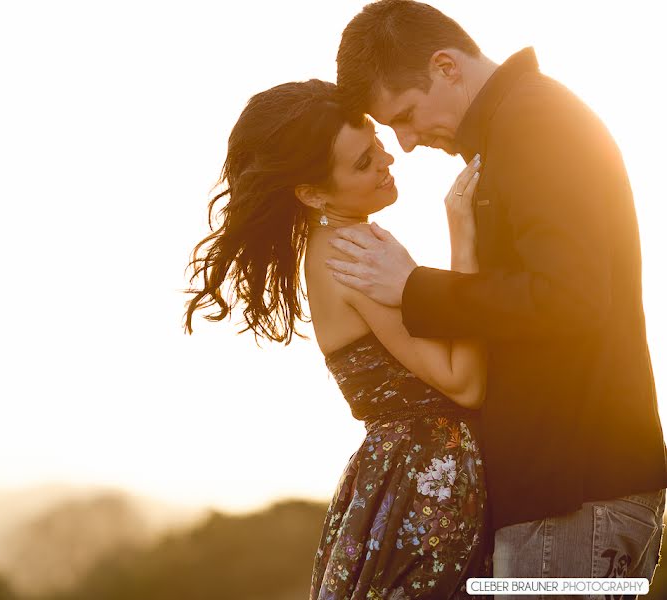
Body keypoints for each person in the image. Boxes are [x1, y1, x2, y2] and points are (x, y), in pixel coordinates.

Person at [331, 0, 667, 586]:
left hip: (574, 492)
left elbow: (571, 296)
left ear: (446, 66)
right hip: (565, 493)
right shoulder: (519, 124)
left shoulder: (535, 124)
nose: (405, 144)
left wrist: (415, 287)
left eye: (406, 115)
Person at [184, 79, 492, 598]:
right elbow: (463, 384)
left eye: (375, 143)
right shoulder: (350, 253)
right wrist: (462, 234)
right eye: (362, 162)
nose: (387, 160)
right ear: (312, 193)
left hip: (408, 474)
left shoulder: (344, 243)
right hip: (422, 481)